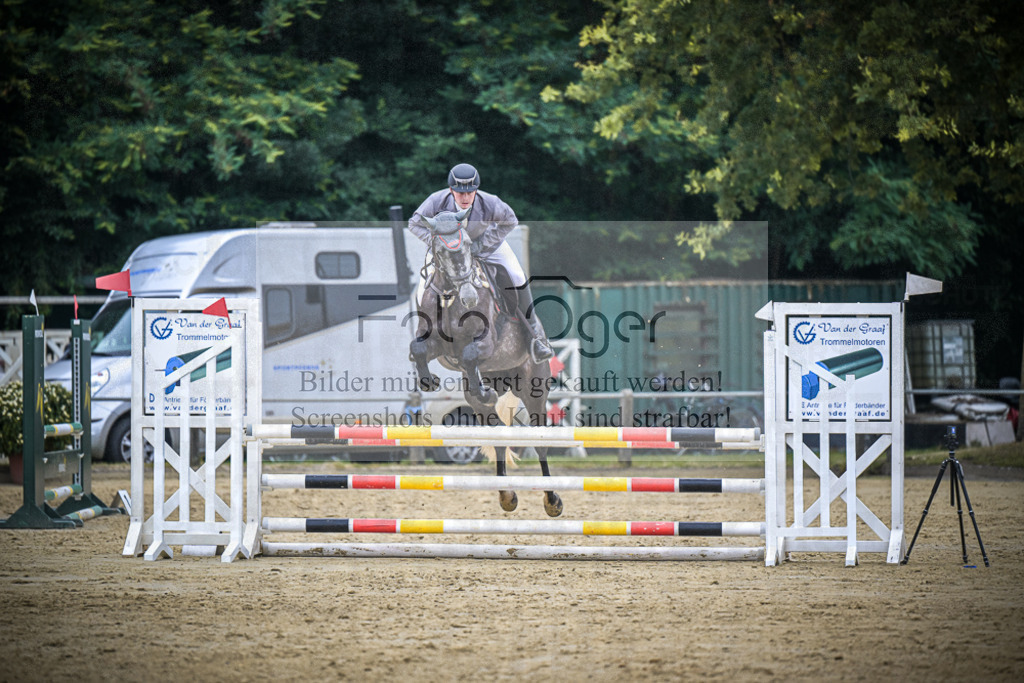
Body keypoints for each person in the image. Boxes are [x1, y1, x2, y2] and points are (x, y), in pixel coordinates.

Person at [408, 162, 553, 362]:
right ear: (451, 191)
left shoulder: (490, 202)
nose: (466, 197)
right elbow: (414, 223)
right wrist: (435, 241)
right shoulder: (437, 201)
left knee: (518, 275)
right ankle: (427, 329)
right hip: (448, 249)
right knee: (424, 283)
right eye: (460, 193)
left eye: (470, 192)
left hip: (485, 246)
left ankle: (535, 337)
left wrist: (484, 243)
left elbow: (511, 220)